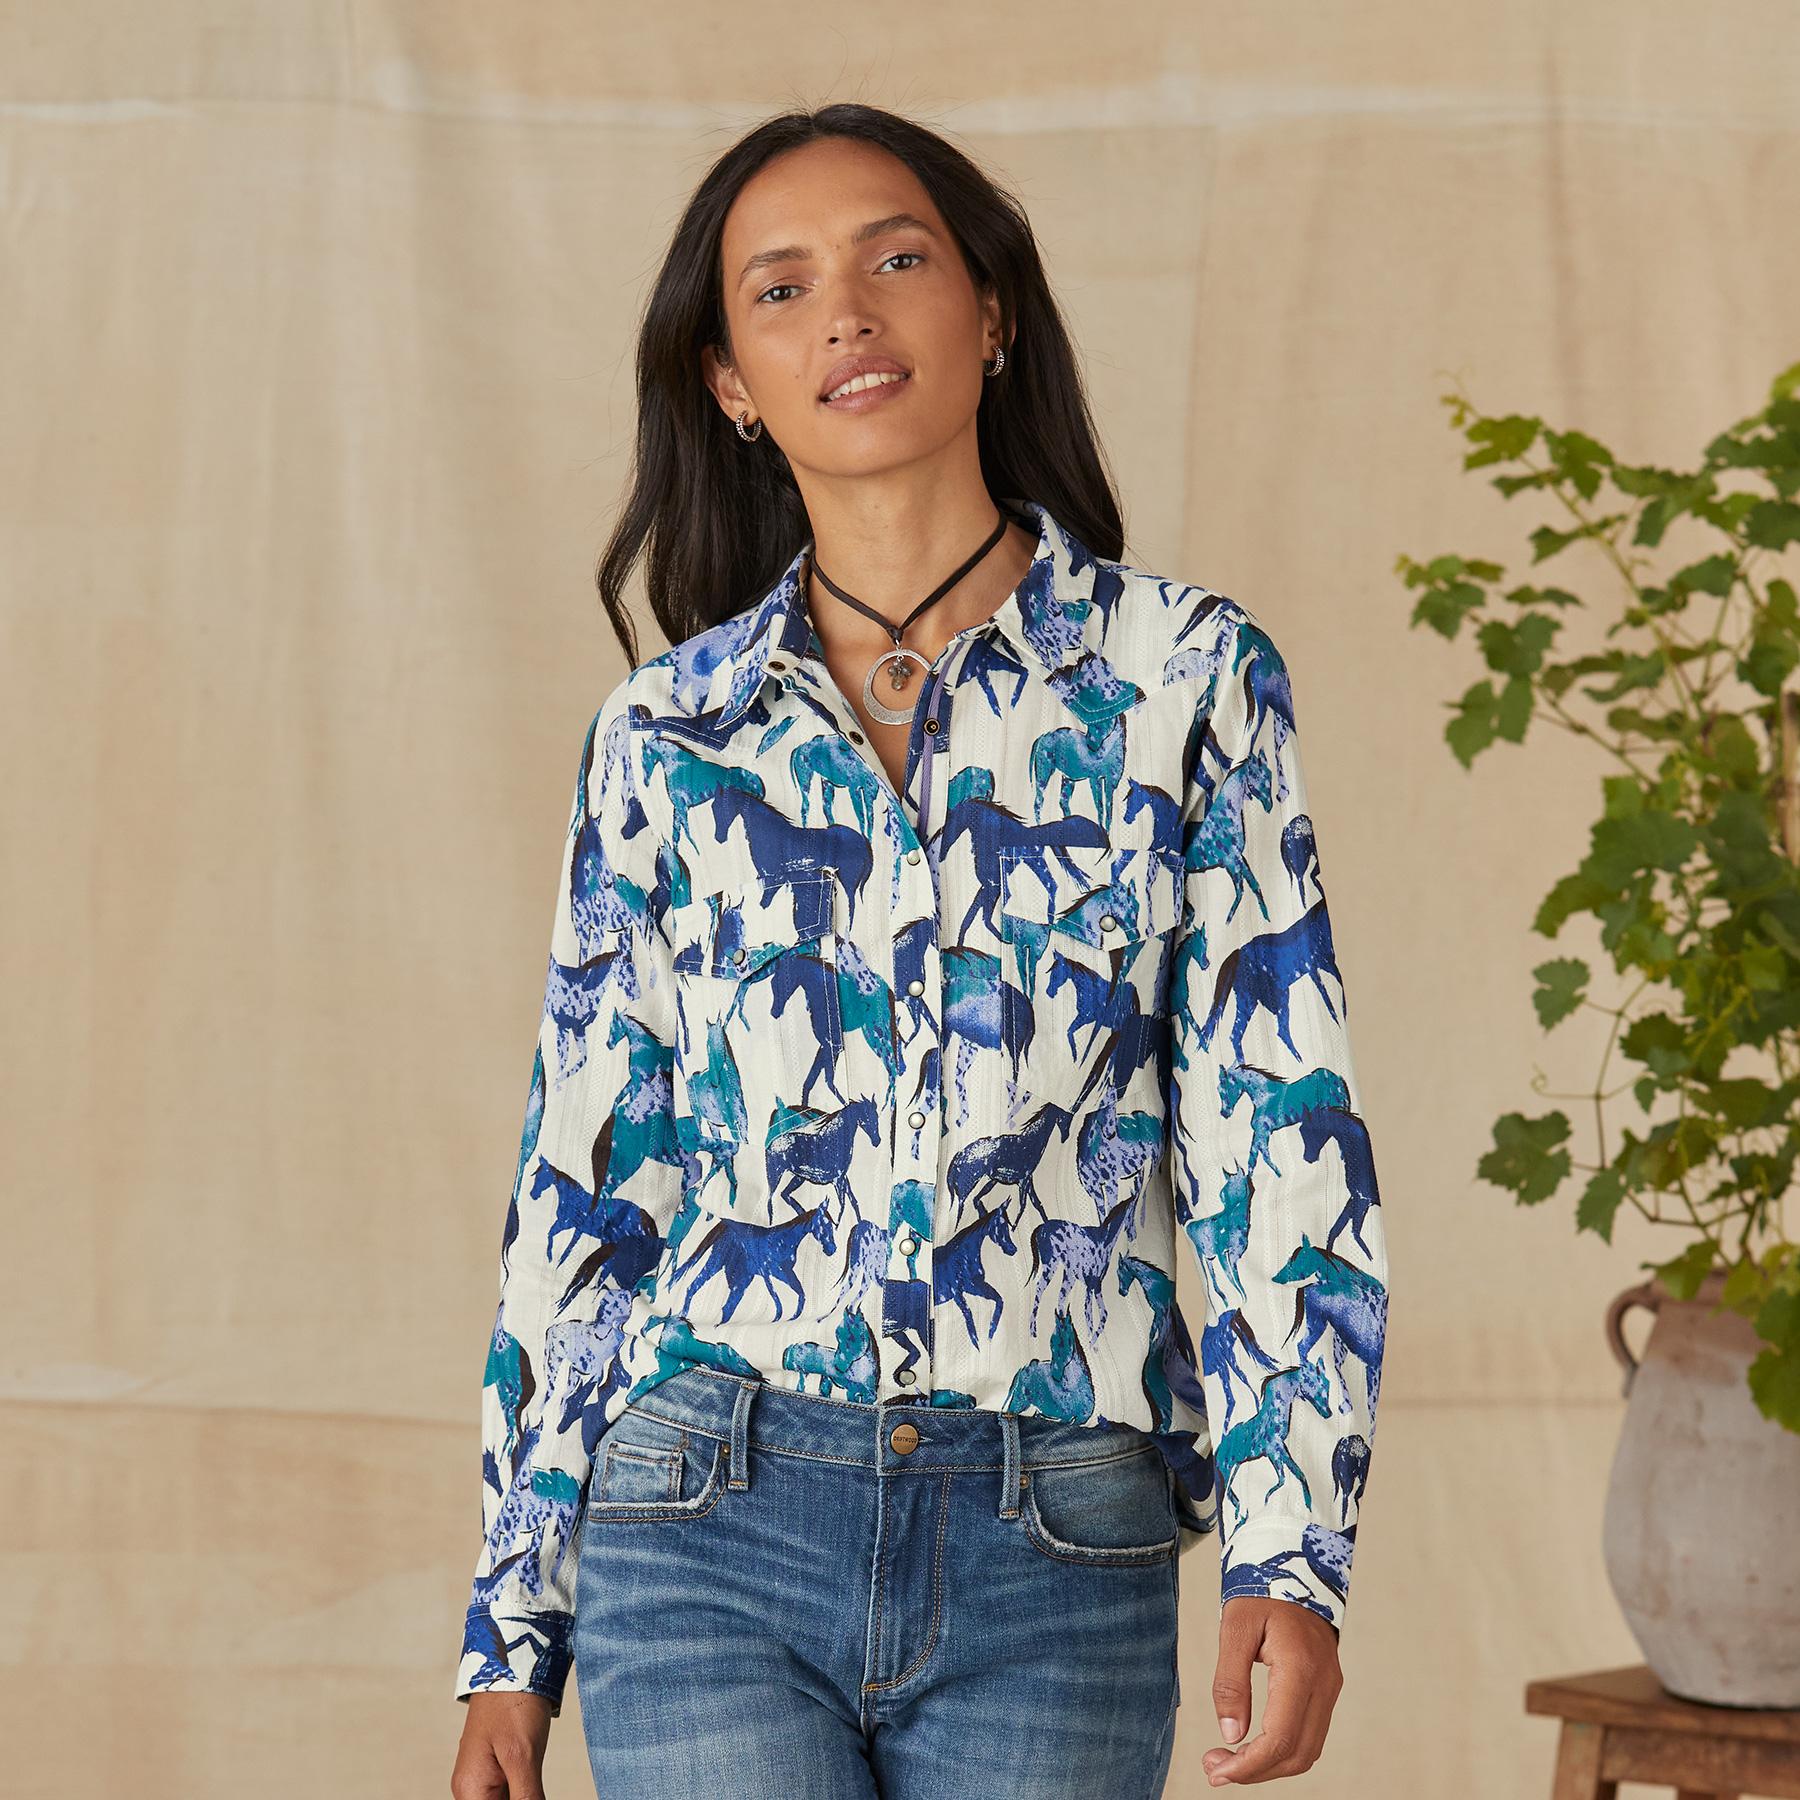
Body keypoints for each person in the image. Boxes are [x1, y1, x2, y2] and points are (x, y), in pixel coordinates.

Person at [450, 102, 1388, 1800]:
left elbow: (1273, 1125)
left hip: (1060, 1534)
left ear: (993, 308)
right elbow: (587, 1178)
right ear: (732, 383)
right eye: (782, 290)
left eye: (897, 259)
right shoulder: (666, 736)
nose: (847, 316)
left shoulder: (1186, 680)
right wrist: (514, 1630)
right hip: (705, 1514)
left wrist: (1291, 1551)